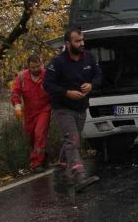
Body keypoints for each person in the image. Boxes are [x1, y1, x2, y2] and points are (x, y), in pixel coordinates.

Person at [44, 28, 103, 190]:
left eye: (82, 39)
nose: (82, 43)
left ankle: (62, 164)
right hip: (62, 107)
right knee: (73, 139)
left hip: (81, 107)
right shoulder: (57, 62)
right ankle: (80, 176)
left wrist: (91, 85)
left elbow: (99, 76)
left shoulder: (89, 57)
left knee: (72, 139)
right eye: (77, 41)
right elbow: (47, 84)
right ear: (68, 43)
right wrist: (67, 93)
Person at [10, 54, 52, 171]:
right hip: (29, 112)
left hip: (44, 109)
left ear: (41, 64)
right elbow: (15, 92)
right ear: (28, 67)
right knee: (31, 136)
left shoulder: (47, 75)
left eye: (38, 66)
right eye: (33, 67)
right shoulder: (22, 77)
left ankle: (36, 163)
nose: (36, 69)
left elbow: (54, 89)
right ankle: (42, 156)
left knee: (39, 133)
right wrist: (17, 106)